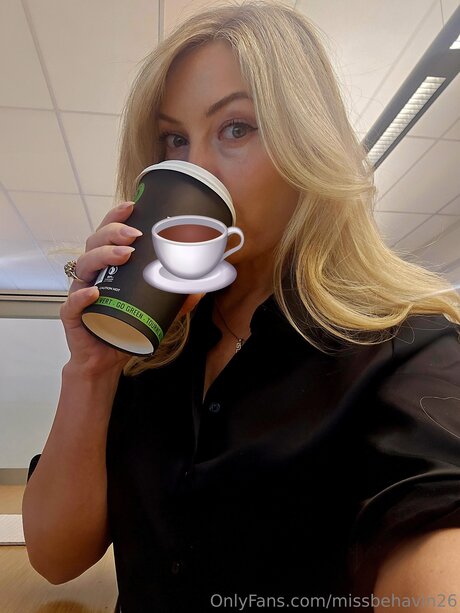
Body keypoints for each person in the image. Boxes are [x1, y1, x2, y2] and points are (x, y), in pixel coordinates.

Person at [22, 2, 460, 611]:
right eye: (175, 139)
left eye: (235, 128)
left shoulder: (406, 348)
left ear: (307, 146)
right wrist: (92, 370)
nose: (195, 167)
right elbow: (55, 558)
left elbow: (435, 542)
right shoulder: (152, 344)